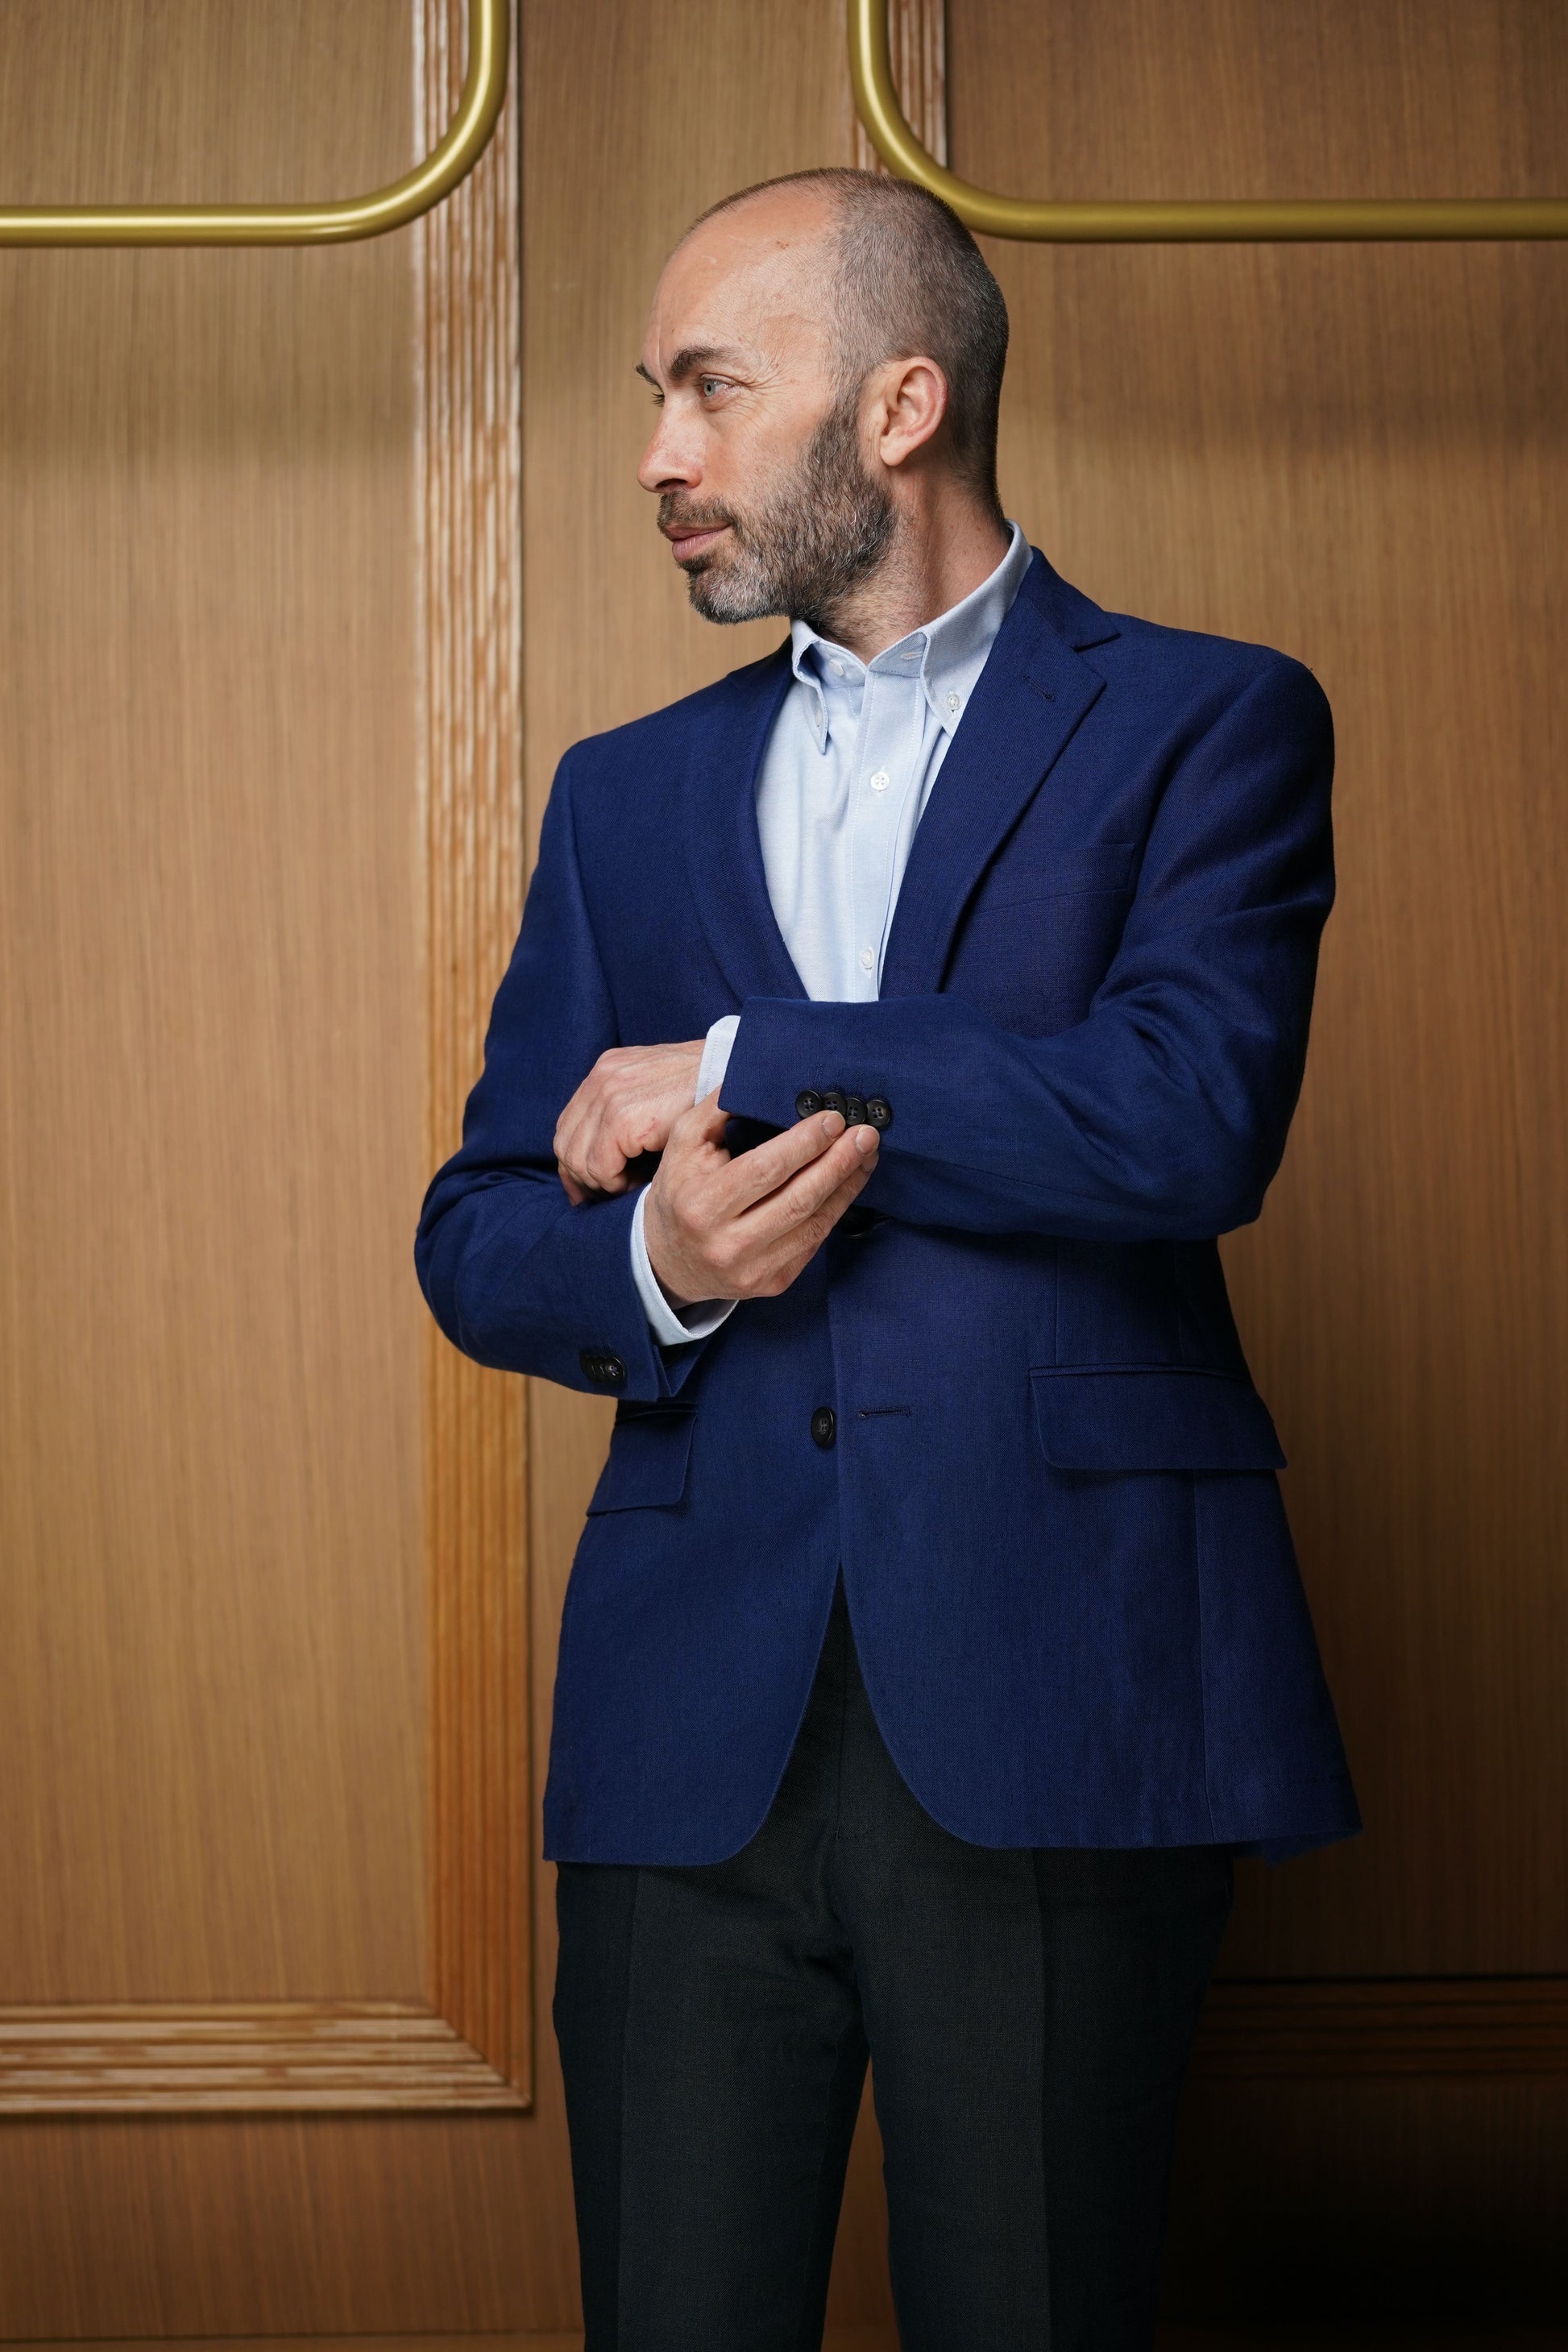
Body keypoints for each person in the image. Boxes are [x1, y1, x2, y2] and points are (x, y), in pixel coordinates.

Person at [416, 167, 1359, 2352]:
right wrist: (655, 1265)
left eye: (710, 391)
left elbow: (1181, 1117)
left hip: (1063, 1694)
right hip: (686, 1731)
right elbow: (481, 1228)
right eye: (653, 398)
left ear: (899, 405)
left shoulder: (1209, 720)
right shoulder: (619, 795)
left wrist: (749, 1057)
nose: (657, 455)